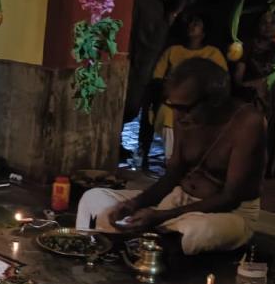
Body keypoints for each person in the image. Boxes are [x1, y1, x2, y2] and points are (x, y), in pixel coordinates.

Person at [76, 58, 265, 257]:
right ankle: (143, 243)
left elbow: (230, 198)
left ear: (214, 100)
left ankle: (141, 243)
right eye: (173, 106)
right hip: (176, 202)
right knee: (94, 198)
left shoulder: (248, 123)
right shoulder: (182, 114)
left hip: (227, 215)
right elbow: (173, 175)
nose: (178, 115)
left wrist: (161, 216)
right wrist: (134, 204)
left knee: (196, 231)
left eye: (185, 108)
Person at [124, 0, 188, 147]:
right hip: (139, 59)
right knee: (131, 104)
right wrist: (172, 15)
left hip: (129, 55)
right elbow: (154, 37)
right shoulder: (148, 1)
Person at [147, 15, 228, 165]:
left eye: (196, 23)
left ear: (204, 32)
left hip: (201, 102)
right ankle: (171, 160)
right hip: (175, 101)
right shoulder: (173, 51)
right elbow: (157, 78)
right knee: (168, 113)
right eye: (190, 22)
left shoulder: (213, 53)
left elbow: (222, 81)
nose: (191, 25)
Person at [233, 10, 275, 177]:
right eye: (264, 22)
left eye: (272, 23)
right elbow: (237, 79)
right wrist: (256, 83)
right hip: (251, 93)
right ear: (258, 25)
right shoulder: (247, 46)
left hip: (274, 95)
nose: (268, 26)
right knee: (262, 111)